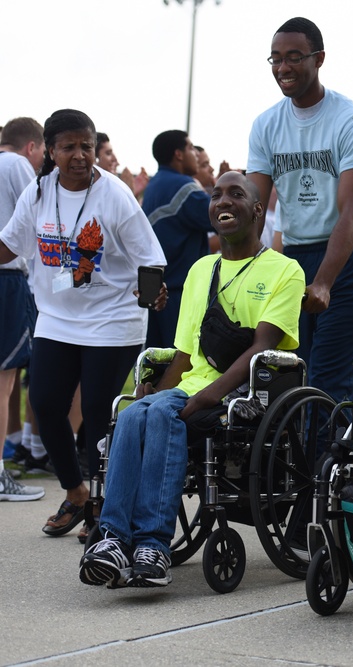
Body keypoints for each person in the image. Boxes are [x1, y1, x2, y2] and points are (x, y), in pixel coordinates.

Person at [79, 170, 304, 588]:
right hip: (193, 384)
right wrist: (157, 392)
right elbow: (185, 354)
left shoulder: (285, 270)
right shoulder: (202, 269)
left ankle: (152, 544)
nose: (222, 201)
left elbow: (262, 349)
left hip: (246, 388)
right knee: (132, 413)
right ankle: (111, 538)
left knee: (164, 413)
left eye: (235, 194)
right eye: (215, 195)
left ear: (257, 210)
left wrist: (200, 400)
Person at [0, 109, 167, 536]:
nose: (80, 155)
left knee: (97, 411)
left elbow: (149, 256)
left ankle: (102, 506)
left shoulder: (113, 195)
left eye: (87, 146)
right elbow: (10, 245)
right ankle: (76, 492)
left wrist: (151, 293)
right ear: (50, 150)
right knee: (46, 404)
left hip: (112, 319)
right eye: (69, 146)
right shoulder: (38, 193)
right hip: (57, 317)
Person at [247, 16, 353, 404]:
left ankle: (327, 465)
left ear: (319, 58)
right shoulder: (266, 124)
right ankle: (292, 464)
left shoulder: (350, 120)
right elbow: (254, 210)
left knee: (328, 378)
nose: (283, 68)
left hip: (351, 259)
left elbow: (352, 214)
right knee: (289, 375)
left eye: (293, 57)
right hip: (295, 258)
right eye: (275, 59)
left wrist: (323, 282)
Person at [0, 117, 46, 502]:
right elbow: (35, 217)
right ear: (31, 146)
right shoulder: (15, 164)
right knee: (5, 383)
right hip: (7, 278)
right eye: (44, 151)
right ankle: (0, 476)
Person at [142, 130, 214, 348]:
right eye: (191, 148)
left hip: (153, 289)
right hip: (178, 293)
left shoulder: (154, 185)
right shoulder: (184, 187)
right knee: (181, 367)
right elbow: (223, 218)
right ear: (179, 154)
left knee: (153, 367)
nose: (196, 154)